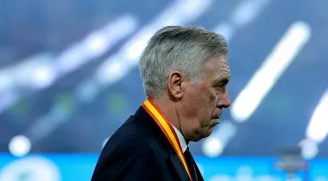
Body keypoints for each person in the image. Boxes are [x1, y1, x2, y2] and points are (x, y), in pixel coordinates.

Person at [91, 25, 231, 181]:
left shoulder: (163, 148)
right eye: (218, 86)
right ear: (177, 85)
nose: (226, 101)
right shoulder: (136, 150)